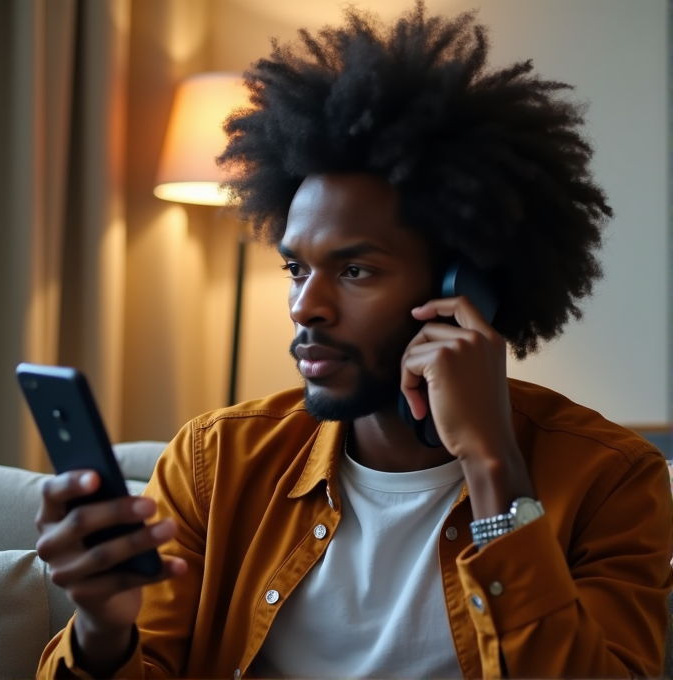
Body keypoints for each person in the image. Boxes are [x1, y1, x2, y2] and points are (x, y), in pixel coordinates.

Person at [37, 4, 672, 678]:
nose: (306, 306)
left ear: (468, 291)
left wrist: (494, 469)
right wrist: (103, 629)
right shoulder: (214, 464)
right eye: (296, 268)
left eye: (355, 270)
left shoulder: (611, 482)